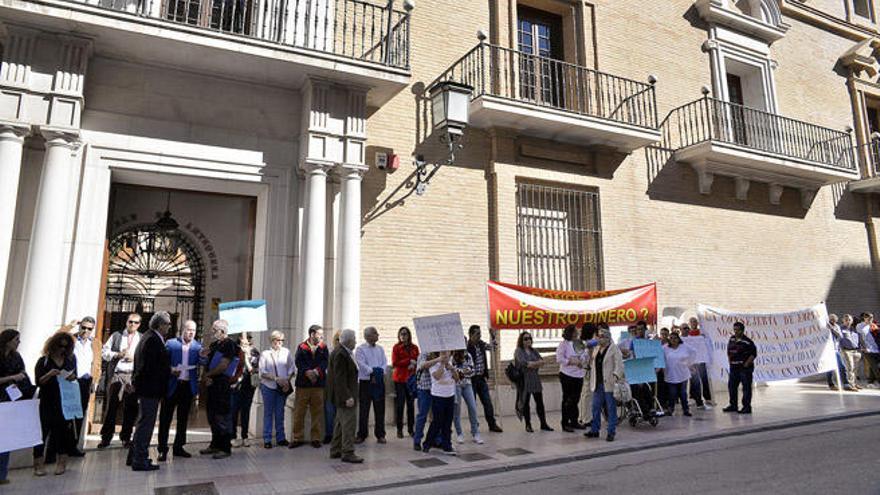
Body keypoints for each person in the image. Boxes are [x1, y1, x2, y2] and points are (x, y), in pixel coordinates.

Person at [128, 312, 172, 471]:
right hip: (150, 389)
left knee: (143, 422)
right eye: (167, 324)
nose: (169, 327)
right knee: (146, 423)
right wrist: (169, 370)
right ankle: (140, 459)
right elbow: (151, 366)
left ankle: (134, 456)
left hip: (148, 388)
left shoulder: (148, 337)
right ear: (160, 325)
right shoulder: (152, 340)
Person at [33, 331, 78, 476]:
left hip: (63, 401)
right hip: (47, 400)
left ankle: (61, 463)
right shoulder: (43, 361)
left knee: (62, 433)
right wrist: (49, 374)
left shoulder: (70, 359)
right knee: (42, 433)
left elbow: (74, 377)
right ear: (53, 346)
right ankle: (38, 465)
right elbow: (38, 381)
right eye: (60, 346)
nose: (62, 350)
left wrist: (71, 377)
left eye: (65, 347)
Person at [157, 320, 201, 461]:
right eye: (189, 330)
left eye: (193, 330)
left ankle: (179, 447)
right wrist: (171, 370)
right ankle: (162, 449)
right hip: (172, 386)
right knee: (165, 418)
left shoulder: (197, 346)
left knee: (183, 419)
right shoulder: (171, 344)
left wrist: (205, 356)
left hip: (187, 387)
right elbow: (162, 362)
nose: (191, 333)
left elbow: (204, 362)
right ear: (183, 330)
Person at [98, 313, 142, 449]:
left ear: (139, 324)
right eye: (130, 322)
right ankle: (106, 437)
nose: (132, 325)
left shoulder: (141, 338)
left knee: (130, 408)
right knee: (111, 407)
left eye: (136, 323)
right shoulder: (116, 336)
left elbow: (145, 357)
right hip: (117, 374)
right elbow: (104, 353)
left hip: (131, 376)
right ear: (126, 322)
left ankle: (126, 437)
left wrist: (134, 358)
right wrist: (117, 354)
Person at [1, 329, 36, 484]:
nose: (18, 342)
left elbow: (23, 374)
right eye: (16, 339)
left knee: (6, 438)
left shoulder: (16, 357)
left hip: (11, 399)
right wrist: (11, 377)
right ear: (7, 340)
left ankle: (2, 474)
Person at [200, 320, 240, 459]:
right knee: (212, 416)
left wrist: (209, 374)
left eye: (214, 330)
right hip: (212, 385)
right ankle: (214, 444)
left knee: (221, 416)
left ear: (222, 332)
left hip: (222, 385)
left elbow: (224, 365)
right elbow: (208, 361)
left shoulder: (229, 344)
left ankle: (225, 447)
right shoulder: (214, 345)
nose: (212, 332)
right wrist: (206, 374)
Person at [327, 329, 362, 463]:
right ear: (348, 341)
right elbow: (339, 379)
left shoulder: (340, 351)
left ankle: (335, 450)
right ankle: (348, 452)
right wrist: (347, 397)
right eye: (354, 339)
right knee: (348, 424)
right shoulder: (341, 354)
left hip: (341, 395)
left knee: (340, 424)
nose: (356, 341)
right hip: (345, 396)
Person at [291, 325, 328, 449]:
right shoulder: (302, 347)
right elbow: (298, 362)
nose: (321, 336)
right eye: (319, 334)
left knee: (317, 412)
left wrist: (316, 372)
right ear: (312, 334)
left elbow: (325, 362)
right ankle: (297, 438)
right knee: (299, 412)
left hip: (318, 385)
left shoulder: (324, 347)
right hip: (303, 385)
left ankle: (316, 438)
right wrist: (307, 372)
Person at [585, 327, 624, 442]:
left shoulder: (614, 349)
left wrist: (616, 375)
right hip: (598, 382)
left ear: (607, 338)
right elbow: (592, 362)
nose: (599, 339)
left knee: (611, 408)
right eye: (598, 336)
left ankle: (611, 431)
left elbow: (619, 365)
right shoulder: (596, 348)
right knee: (595, 407)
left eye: (601, 337)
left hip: (609, 382)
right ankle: (594, 430)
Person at [258, 330, 294, 448]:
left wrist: (286, 381)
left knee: (280, 412)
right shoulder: (265, 354)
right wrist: (276, 378)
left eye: (282, 340)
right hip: (268, 386)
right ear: (272, 340)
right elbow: (262, 372)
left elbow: (291, 369)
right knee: (268, 412)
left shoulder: (286, 352)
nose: (280, 343)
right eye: (278, 340)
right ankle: (267, 439)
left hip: (282, 387)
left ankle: (281, 438)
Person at [466, 325, 502, 433]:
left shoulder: (481, 344)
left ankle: (492, 424)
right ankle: (474, 426)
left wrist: (493, 336)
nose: (479, 336)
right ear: (471, 335)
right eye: (477, 334)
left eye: (480, 333)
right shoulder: (467, 347)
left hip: (481, 378)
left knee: (487, 402)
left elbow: (494, 347)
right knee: (472, 405)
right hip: (471, 380)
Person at [514, 332, 552, 433]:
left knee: (540, 402)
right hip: (525, 379)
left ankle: (543, 423)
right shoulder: (519, 351)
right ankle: (528, 424)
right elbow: (524, 363)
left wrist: (533, 364)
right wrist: (535, 364)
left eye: (529, 338)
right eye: (525, 339)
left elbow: (542, 362)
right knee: (526, 403)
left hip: (535, 379)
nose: (528, 341)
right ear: (521, 340)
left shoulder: (534, 351)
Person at [355, 326, 387, 444]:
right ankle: (362, 434)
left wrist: (379, 373)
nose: (378, 335)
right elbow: (361, 363)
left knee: (380, 409)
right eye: (375, 333)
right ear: (368, 336)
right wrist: (373, 372)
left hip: (378, 382)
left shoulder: (380, 349)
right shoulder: (360, 349)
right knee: (364, 409)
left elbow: (384, 362)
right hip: (366, 382)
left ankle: (380, 434)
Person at [422, 350, 457, 455]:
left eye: (448, 352)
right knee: (437, 422)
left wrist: (452, 369)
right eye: (444, 352)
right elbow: (437, 376)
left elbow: (457, 378)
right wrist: (442, 363)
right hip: (438, 395)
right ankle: (427, 443)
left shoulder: (451, 361)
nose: (447, 354)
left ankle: (447, 445)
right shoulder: (433, 362)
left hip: (450, 394)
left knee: (448, 422)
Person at [71, 317, 95, 457]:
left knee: (80, 415)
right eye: (83, 327)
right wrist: (70, 326)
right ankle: (57, 448)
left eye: (89, 328)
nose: (86, 331)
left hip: (86, 382)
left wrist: (95, 380)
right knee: (67, 415)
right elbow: (54, 339)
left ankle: (74, 446)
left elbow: (96, 363)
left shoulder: (94, 343)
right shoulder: (72, 340)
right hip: (72, 381)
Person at [230, 333, 260, 448]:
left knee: (245, 411)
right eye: (243, 338)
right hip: (235, 386)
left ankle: (245, 436)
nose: (245, 341)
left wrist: (246, 357)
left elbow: (253, 370)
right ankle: (232, 436)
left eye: (248, 338)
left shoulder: (255, 352)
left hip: (248, 385)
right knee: (233, 411)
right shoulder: (234, 350)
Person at [723, 321, 757, 414]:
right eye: (734, 330)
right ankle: (733, 405)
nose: (736, 332)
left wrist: (747, 363)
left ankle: (746, 407)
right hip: (734, 367)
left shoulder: (748, 342)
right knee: (732, 387)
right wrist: (730, 360)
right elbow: (729, 350)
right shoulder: (732, 339)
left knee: (746, 388)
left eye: (738, 330)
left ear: (742, 330)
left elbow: (753, 354)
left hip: (744, 368)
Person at [556, 324, 586, 432]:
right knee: (567, 399)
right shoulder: (563, 344)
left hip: (579, 374)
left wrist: (582, 361)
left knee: (576, 399)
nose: (577, 332)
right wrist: (570, 361)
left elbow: (584, 355)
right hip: (567, 375)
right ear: (571, 332)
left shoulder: (579, 343)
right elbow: (559, 358)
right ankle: (565, 423)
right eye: (575, 331)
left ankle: (574, 421)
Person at [391, 326, 419, 439]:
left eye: (405, 334)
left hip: (411, 379)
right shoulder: (396, 347)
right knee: (400, 405)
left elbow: (418, 359)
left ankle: (411, 429)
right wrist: (408, 361)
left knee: (411, 405)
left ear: (409, 335)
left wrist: (414, 363)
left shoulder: (414, 347)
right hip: (400, 379)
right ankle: (399, 429)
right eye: (401, 334)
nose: (403, 336)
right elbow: (394, 362)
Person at [452, 346, 483, 444]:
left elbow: (472, 371)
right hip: (456, 385)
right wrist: (463, 371)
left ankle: (475, 432)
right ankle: (459, 433)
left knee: (473, 407)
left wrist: (461, 372)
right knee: (457, 409)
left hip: (467, 384)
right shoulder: (452, 356)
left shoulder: (468, 355)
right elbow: (452, 371)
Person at [412, 351, 440, 451]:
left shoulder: (439, 353)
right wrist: (437, 360)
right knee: (422, 415)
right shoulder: (424, 353)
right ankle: (417, 440)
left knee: (437, 416)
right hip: (424, 388)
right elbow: (423, 365)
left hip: (437, 388)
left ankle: (436, 439)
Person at [663, 333, 696, 416]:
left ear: (678, 339)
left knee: (683, 393)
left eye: (675, 338)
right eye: (671, 338)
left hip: (683, 374)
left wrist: (689, 364)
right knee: (672, 393)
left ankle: (686, 409)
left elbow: (693, 352)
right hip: (671, 374)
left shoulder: (684, 346)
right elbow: (659, 356)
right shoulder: (665, 348)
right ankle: (671, 409)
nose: (673, 340)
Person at [686, 317, 713, 408]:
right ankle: (692, 397)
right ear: (689, 323)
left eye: (695, 321)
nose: (693, 323)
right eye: (691, 322)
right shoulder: (687, 334)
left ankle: (707, 397)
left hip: (701, 359)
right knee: (693, 379)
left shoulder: (702, 332)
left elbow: (708, 343)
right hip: (692, 360)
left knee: (704, 378)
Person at [577, 323, 598, 428]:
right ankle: (585, 419)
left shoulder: (586, 343)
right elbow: (587, 357)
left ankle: (583, 417)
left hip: (587, 370)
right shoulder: (586, 343)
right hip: (587, 371)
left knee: (585, 395)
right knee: (586, 395)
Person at [323, 330, 341, 445]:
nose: (339, 342)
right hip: (330, 387)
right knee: (329, 412)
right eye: (337, 339)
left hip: (342, 388)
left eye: (341, 339)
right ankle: (329, 434)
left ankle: (339, 435)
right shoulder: (329, 352)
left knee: (340, 413)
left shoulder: (349, 354)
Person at [825, 314, 852, 391]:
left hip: (835, 349)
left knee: (842, 366)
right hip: (827, 350)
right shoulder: (824, 326)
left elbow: (840, 336)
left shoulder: (836, 326)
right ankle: (831, 384)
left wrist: (832, 329)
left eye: (834, 319)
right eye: (831, 319)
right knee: (829, 368)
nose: (833, 321)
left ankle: (846, 384)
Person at [837, 314, 862, 390]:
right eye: (846, 320)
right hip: (846, 351)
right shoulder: (840, 329)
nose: (848, 321)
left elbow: (858, 339)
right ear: (843, 321)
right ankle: (850, 385)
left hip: (856, 351)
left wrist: (860, 348)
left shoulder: (854, 329)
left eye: (849, 320)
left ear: (852, 321)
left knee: (855, 368)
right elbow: (838, 339)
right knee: (850, 367)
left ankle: (855, 383)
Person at [856, 313, 880, 388]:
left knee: (873, 366)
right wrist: (863, 347)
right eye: (869, 318)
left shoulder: (873, 325)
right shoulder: (860, 326)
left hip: (876, 349)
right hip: (867, 349)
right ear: (864, 318)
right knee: (875, 366)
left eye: (871, 318)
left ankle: (870, 382)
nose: (870, 319)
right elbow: (859, 337)